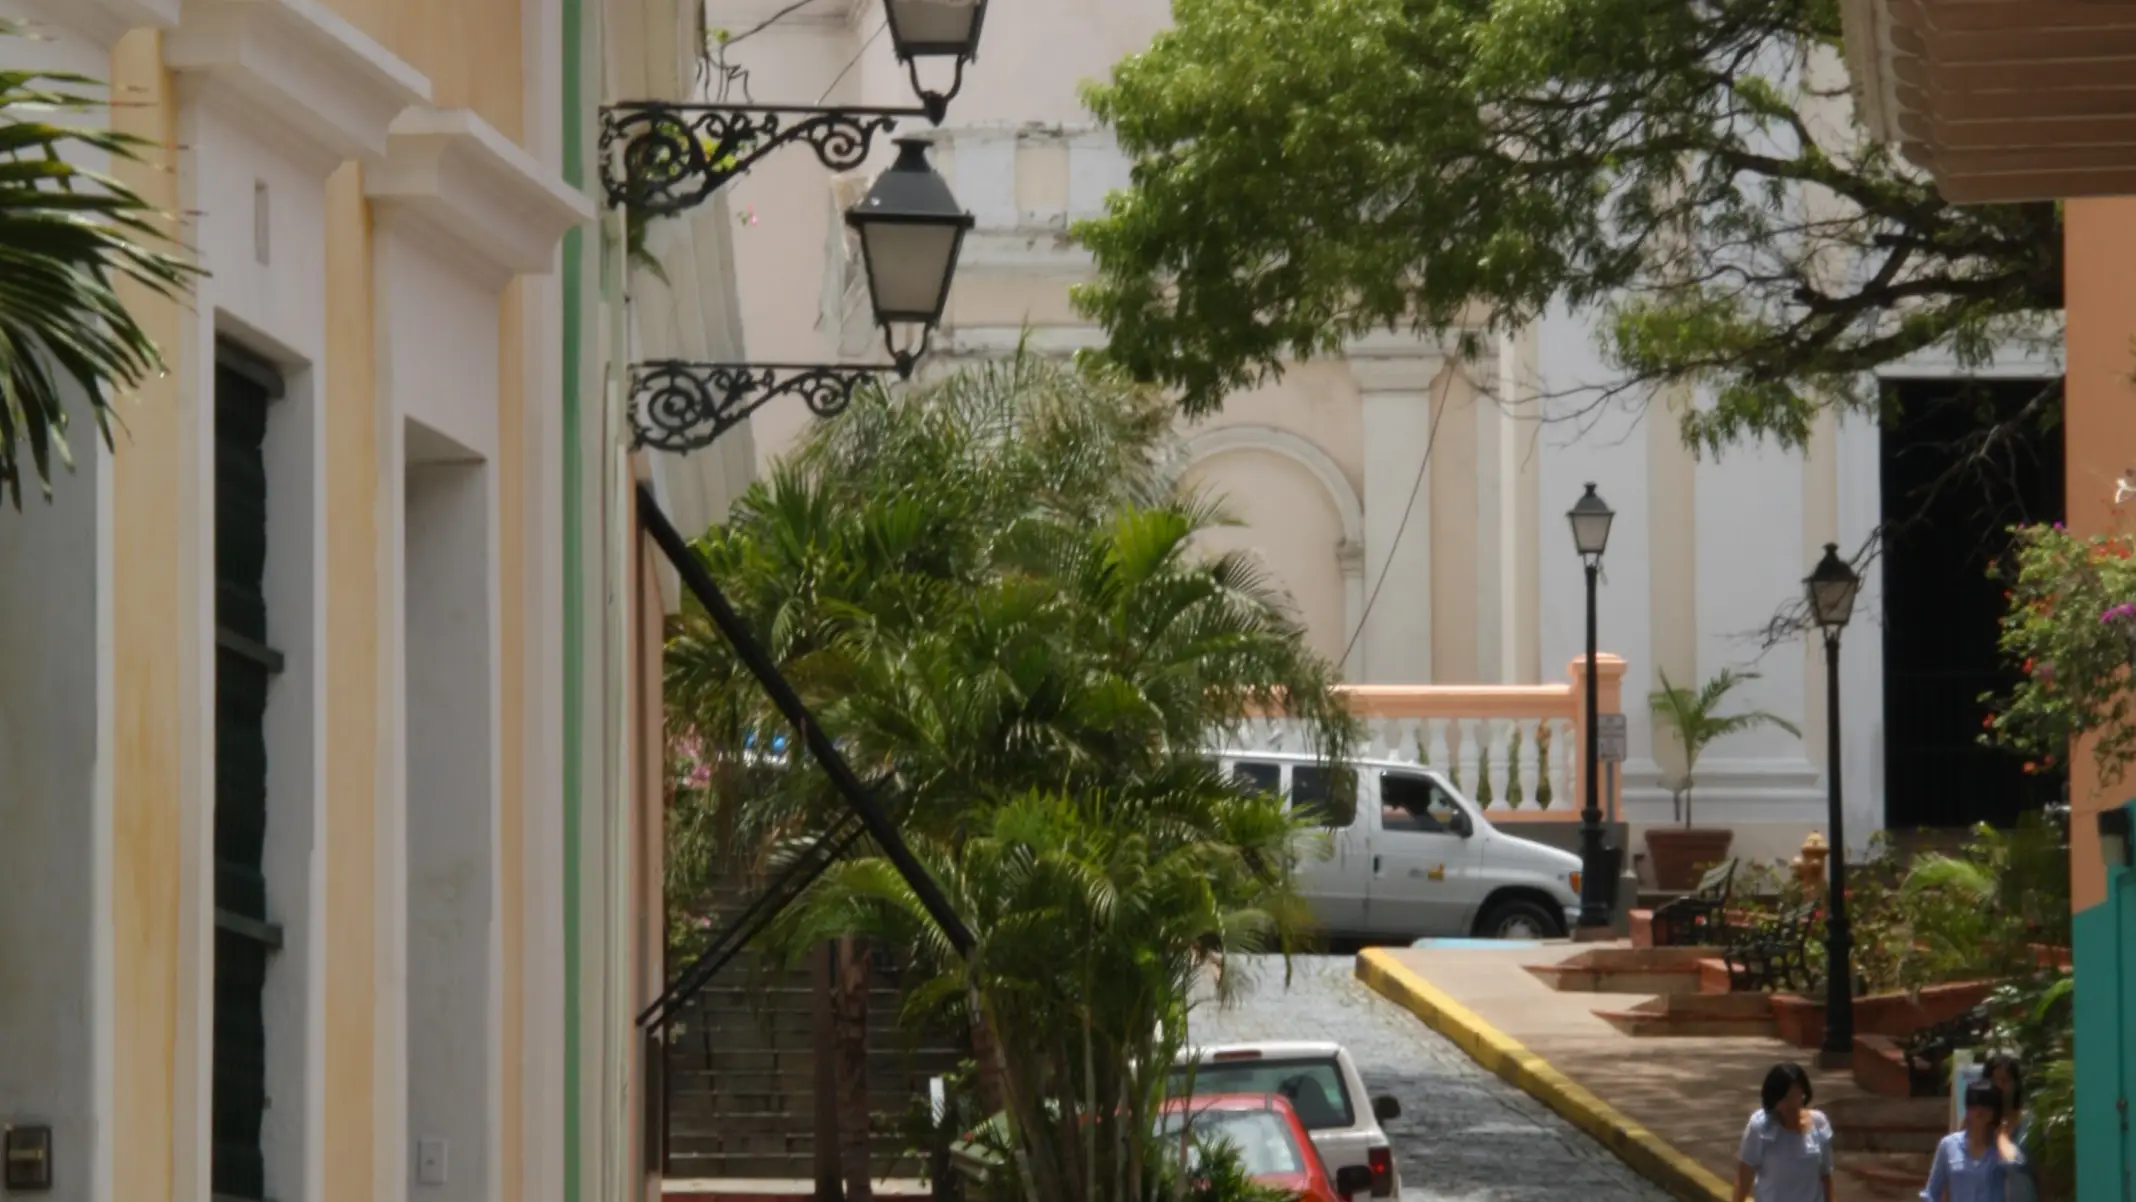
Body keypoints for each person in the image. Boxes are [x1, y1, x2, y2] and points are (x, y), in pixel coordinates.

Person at [1735, 1062, 1835, 1202]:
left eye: (1796, 1096)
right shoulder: (1760, 1127)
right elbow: (1745, 1174)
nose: (1791, 1104)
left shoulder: (1819, 1123)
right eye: (1784, 1098)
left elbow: (1825, 1175)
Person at [1922, 1080, 2025, 1202]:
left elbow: (2017, 1165)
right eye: (1973, 1105)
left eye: (1986, 1105)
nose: (1979, 1110)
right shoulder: (1949, 1145)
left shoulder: (2002, 1148)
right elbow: (1931, 1193)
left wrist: (2002, 1136)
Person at [1982, 1053, 2035, 1202]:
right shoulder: (1976, 1123)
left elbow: (2042, 1176)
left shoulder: (2031, 1123)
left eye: (2004, 1081)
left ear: (2015, 1084)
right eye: (1994, 1081)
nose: (1999, 1087)